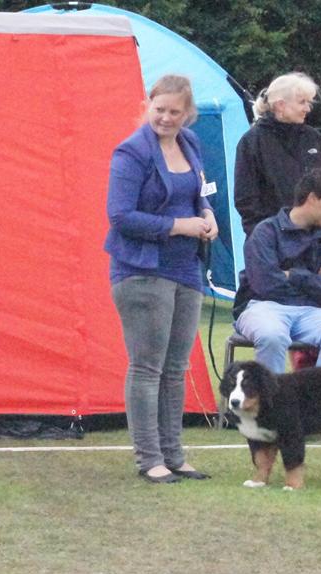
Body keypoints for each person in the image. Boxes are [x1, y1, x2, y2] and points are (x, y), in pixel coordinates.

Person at [104, 74, 218, 484]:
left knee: (175, 367)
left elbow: (197, 192)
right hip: (141, 270)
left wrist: (207, 216)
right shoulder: (131, 153)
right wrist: (178, 226)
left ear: (188, 114)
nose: (166, 118)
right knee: (147, 367)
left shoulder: (191, 144)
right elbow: (120, 216)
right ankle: (149, 458)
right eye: (159, 109)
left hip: (185, 268)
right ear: (148, 105)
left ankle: (175, 455)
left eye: (175, 112)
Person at [232, 168, 321, 373]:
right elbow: (266, 285)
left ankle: (319, 403)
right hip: (261, 306)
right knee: (272, 335)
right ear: (313, 198)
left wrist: (294, 275)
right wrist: (315, 280)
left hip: (310, 311)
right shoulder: (265, 232)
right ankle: (274, 403)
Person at [234, 72, 321, 237]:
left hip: (314, 236)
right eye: (302, 102)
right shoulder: (252, 141)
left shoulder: (312, 138)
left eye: (308, 102)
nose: (307, 108)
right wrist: (265, 236)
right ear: (280, 105)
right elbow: (246, 199)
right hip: (271, 240)